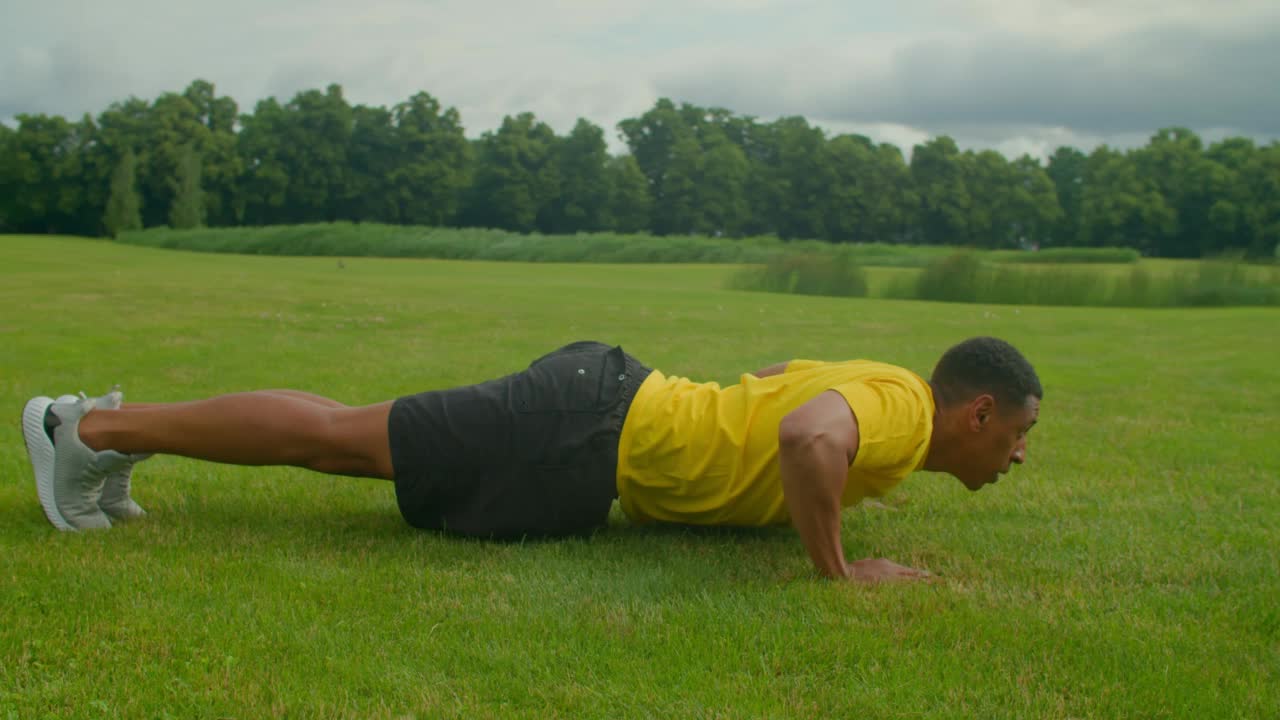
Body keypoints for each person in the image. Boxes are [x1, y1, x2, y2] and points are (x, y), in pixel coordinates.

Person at [21, 336, 1041, 582]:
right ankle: (92, 434)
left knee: (344, 435)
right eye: (1018, 436)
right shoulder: (903, 413)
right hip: (585, 426)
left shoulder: (887, 397)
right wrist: (839, 569)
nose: (1017, 458)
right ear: (977, 412)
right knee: (335, 442)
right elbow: (802, 434)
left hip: (594, 417)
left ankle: (101, 429)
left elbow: (778, 382)